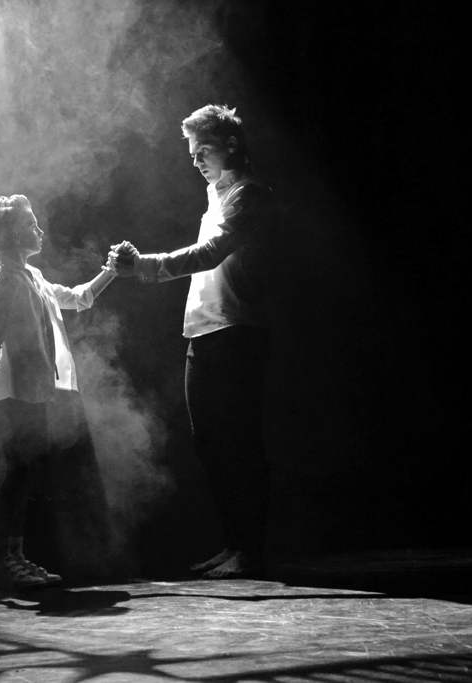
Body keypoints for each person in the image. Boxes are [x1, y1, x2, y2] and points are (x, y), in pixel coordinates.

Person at [111, 104, 275, 579]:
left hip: (237, 330)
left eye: (203, 150)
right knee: (211, 446)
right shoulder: (216, 196)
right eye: (192, 153)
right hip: (203, 333)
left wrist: (144, 265)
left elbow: (210, 254)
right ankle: (234, 544)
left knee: (239, 442)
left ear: (230, 145)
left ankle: (251, 549)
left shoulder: (249, 194)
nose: (196, 160)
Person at [0, 194, 117, 589]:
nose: (40, 230)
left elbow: (79, 298)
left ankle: (12, 556)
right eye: (31, 225)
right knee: (18, 473)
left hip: (33, 391)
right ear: (15, 235)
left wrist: (111, 271)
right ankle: (1, 559)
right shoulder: (9, 281)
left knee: (24, 473)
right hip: (15, 393)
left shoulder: (32, 277)